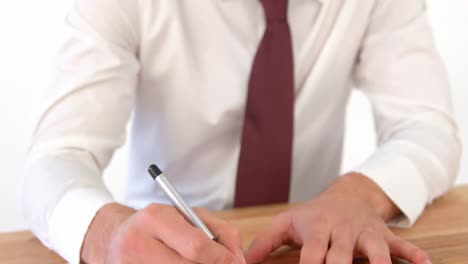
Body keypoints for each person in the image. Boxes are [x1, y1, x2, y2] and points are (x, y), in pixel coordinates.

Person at [23, 0, 461, 263]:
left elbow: (427, 125)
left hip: (304, 250)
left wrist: (357, 196)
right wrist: (109, 234)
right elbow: (57, 155)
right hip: (159, 252)